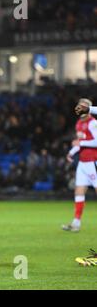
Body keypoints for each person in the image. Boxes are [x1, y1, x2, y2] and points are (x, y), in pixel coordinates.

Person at [63, 98, 97, 232]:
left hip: (93, 161)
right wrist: (71, 152)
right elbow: (80, 142)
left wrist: (80, 144)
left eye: (83, 106)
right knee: (79, 191)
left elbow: (96, 142)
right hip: (82, 163)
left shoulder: (93, 123)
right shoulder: (79, 124)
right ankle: (76, 223)